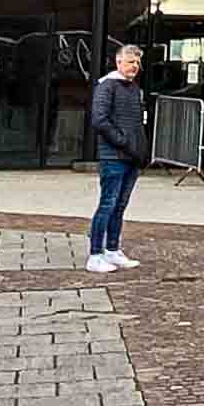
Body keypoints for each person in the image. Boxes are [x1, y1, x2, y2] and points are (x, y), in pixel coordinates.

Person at [84, 41, 148, 272]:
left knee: (120, 205)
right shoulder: (107, 86)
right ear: (118, 62)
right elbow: (99, 119)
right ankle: (95, 254)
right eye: (131, 62)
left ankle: (112, 249)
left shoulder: (133, 89)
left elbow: (137, 123)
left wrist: (140, 151)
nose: (135, 66)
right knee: (108, 204)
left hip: (131, 157)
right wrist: (122, 141)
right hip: (113, 157)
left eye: (138, 62)